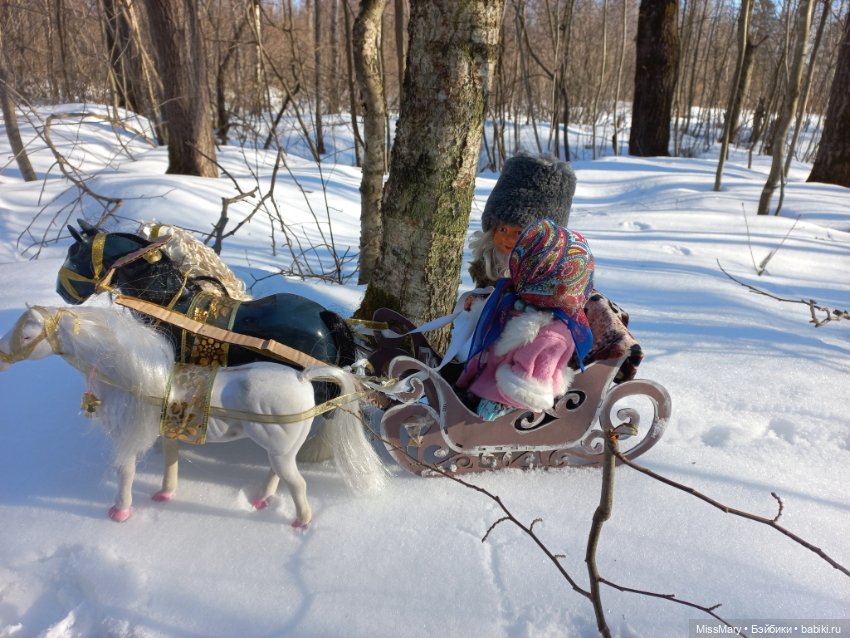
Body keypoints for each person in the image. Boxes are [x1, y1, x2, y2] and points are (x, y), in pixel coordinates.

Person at [451, 151, 643, 384]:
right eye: (502, 230)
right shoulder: (492, 261)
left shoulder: (559, 280)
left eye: (519, 232)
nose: (508, 239)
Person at [456, 219, 594, 420]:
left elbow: (529, 385)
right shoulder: (516, 303)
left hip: (503, 404)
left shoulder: (553, 335)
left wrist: (494, 403)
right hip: (481, 383)